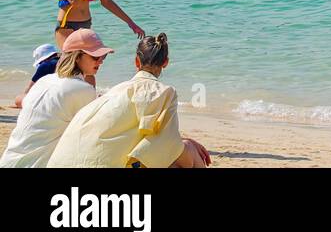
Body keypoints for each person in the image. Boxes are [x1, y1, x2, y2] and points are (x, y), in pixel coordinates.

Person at [47, 33, 210, 169]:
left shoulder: (115, 92)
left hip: (61, 163)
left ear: (136, 62)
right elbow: (169, 146)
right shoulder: (164, 92)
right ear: (165, 62)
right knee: (189, 153)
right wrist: (188, 147)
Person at [1, 31, 111, 168]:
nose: (101, 61)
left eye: (103, 56)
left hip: (8, 161)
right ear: (77, 56)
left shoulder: (44, 81)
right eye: (96, 56)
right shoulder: (82, 89)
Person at [12, 44, 59, 108]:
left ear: (43, 59)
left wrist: (23, 97)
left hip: (57, 100)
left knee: (18, 99)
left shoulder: (46, 65)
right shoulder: (65, 61)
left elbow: (30, 87)